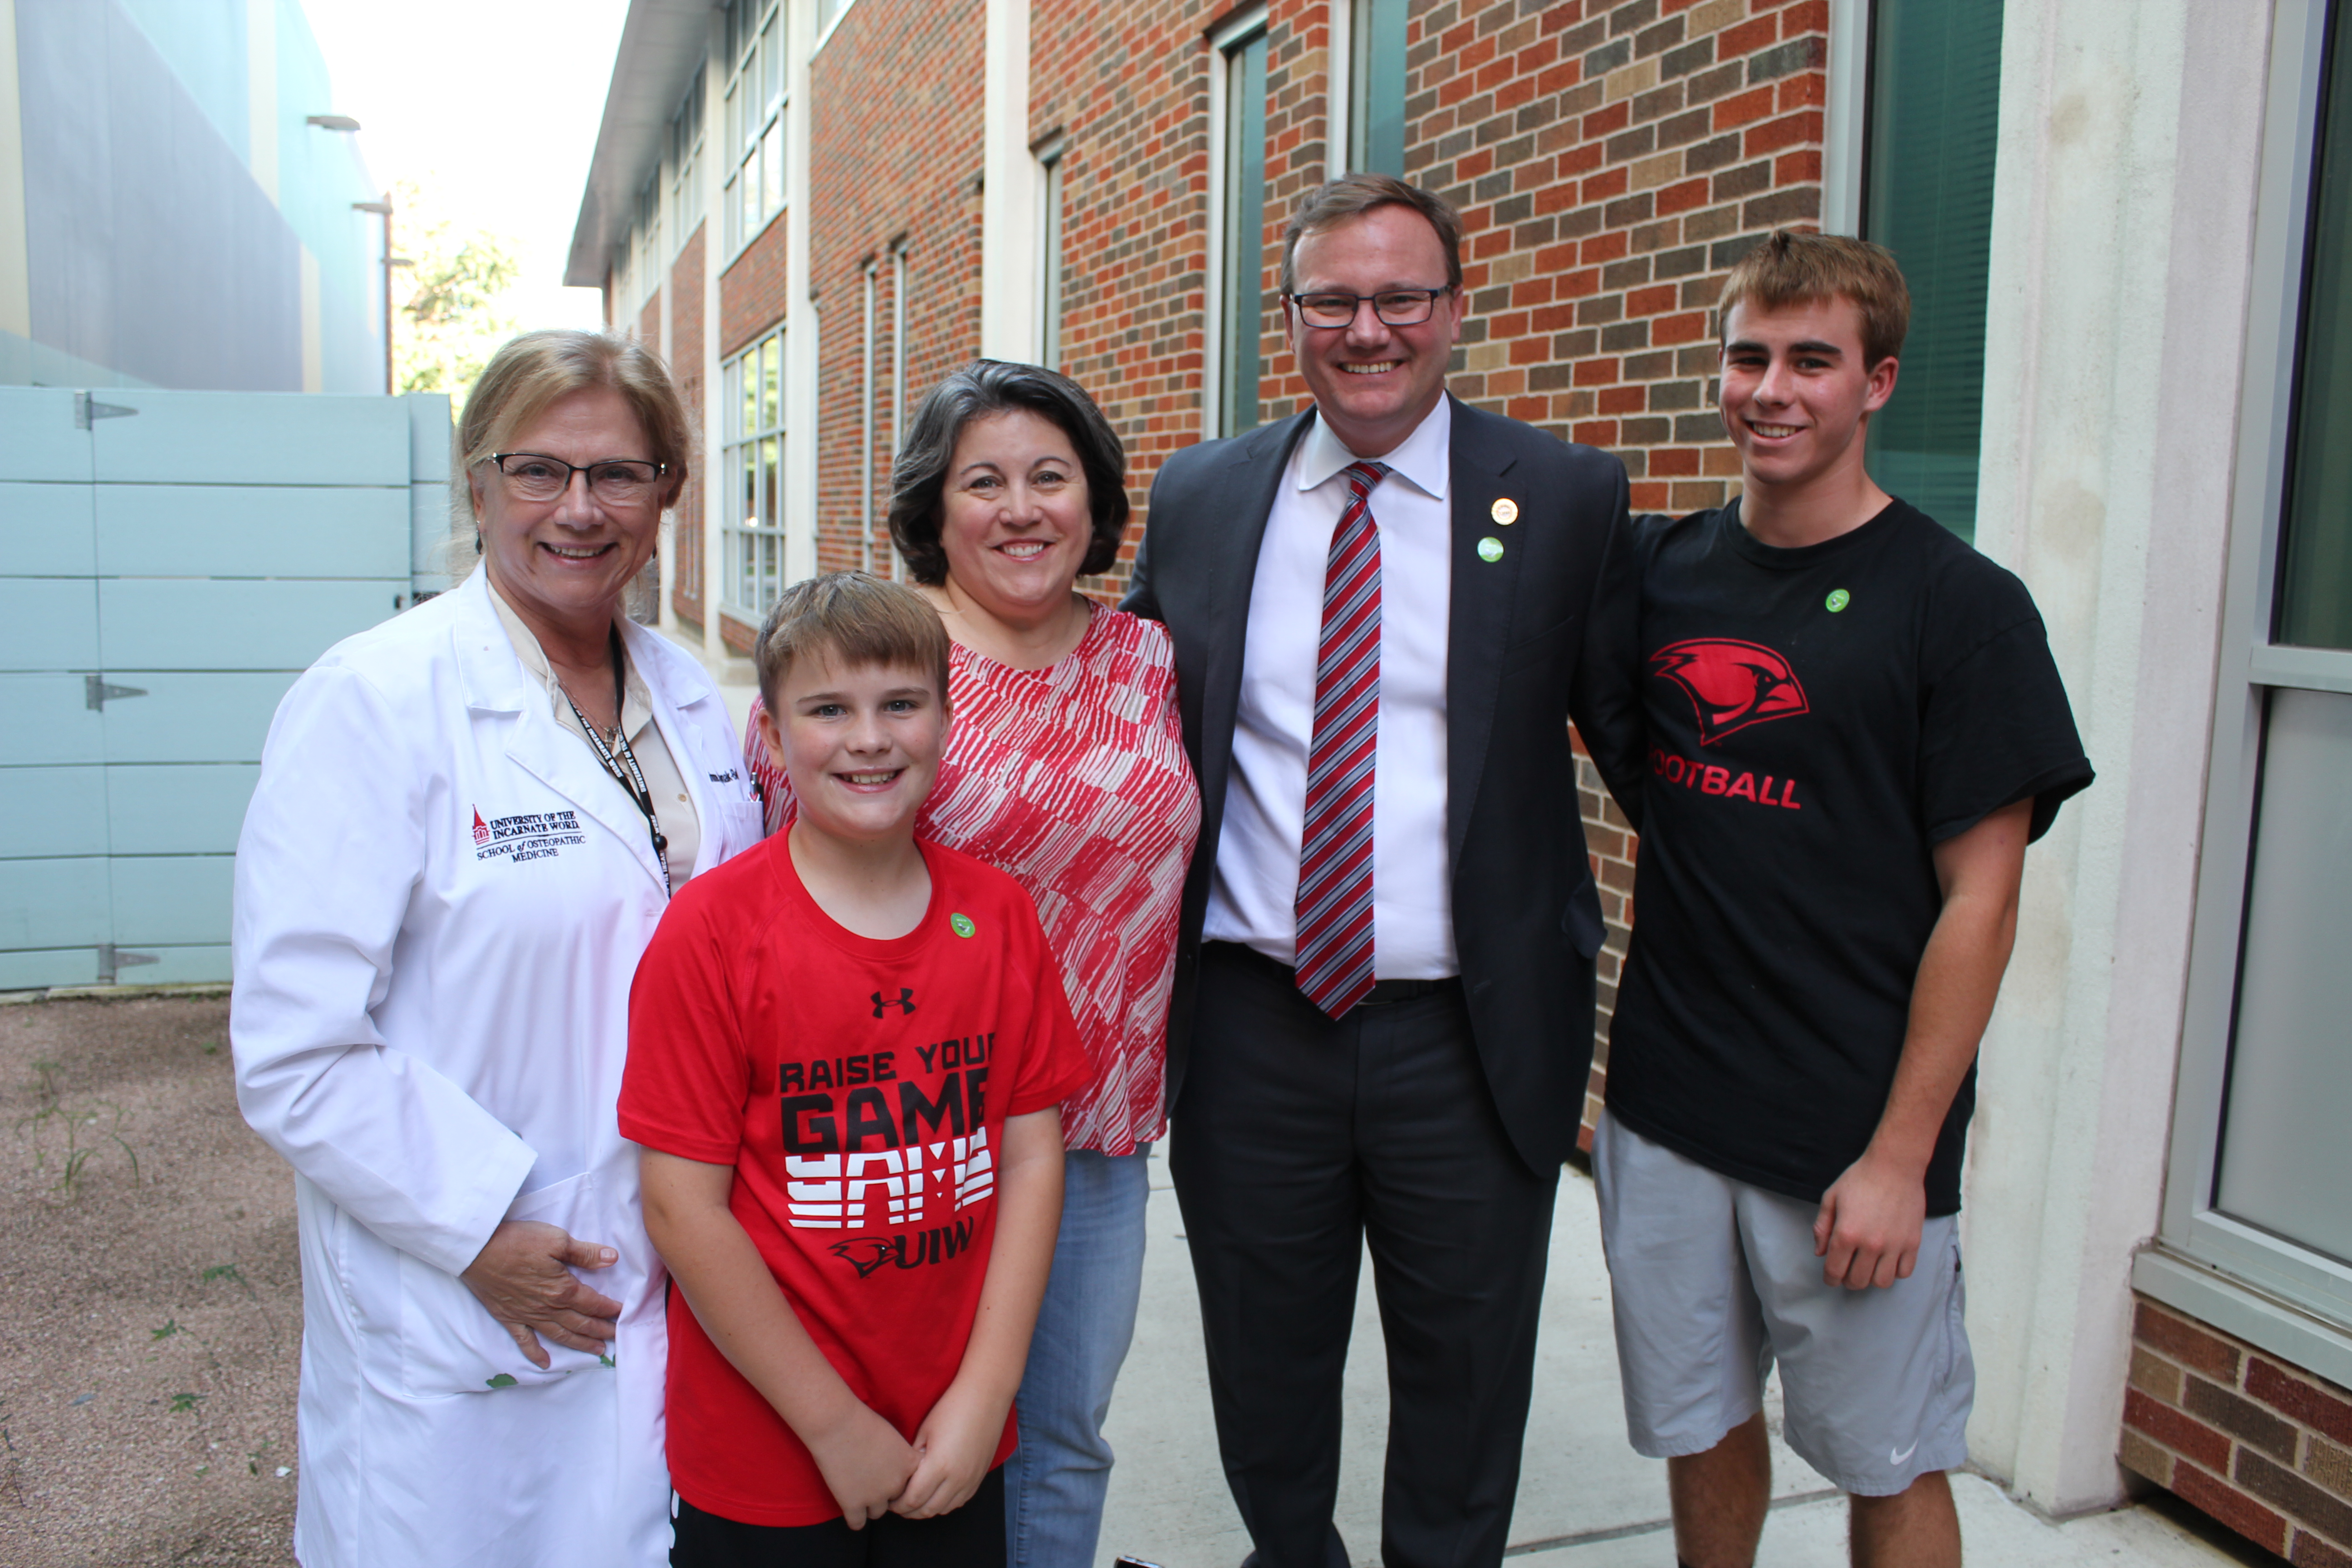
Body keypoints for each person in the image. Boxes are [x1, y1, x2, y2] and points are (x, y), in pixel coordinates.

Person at [1119, 174, 1644, 1568]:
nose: (1370, 330)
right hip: (1252, 1026)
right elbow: (1107, 703)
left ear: (1455, 310)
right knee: (1263, 1374)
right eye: (1334, 301)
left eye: (1401, 297)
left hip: (1469, 1040)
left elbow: (1655, 753)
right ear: (1289, 318)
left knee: (1469, 1394)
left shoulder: (1571, 499)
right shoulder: (1204, 497)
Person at [1594, 230, 2094, 1568]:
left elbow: (1982, 906)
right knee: (1698, 1427)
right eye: (1749, 356)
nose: (1773, 389)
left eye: (1812, 360)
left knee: (1891, 1458)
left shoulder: (1962, 608)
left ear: (1876, 383)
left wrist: (1900, 1156)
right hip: (1667, 1106)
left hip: (1850, 1135)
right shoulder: (1659, 574)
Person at [230, 328, 765, 1566]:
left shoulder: (690, 700)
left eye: (620, 474)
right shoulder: (375, 699)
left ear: (670, 492)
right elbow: (296, 1048)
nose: (579, 509)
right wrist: (477, 1231)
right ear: (477, 486)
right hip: (472, 1272)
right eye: (540, 471)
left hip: (673, 1250)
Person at [743, 361, 1199, 1567]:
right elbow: (775, 898)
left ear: (1094, 502)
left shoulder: (1149, 658)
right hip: (899, 1131)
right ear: (932, 512)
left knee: (1059, 1437)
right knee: (889, 1443)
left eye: (1050, 477)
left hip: (1091, 1130)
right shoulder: (871, 666)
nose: (1021, 508)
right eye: (982, 481)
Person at [622, 571, 1092, 1562]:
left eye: (901, 705)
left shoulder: (999, 917)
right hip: (770, 1450)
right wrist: (833, 1427)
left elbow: (1030, 1160)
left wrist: (985, 1395)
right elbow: (681, 1208)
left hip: (949, 1439)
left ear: (946, 719)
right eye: (829, 710)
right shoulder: (711, 934)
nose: (870, 739)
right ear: (773, 731)